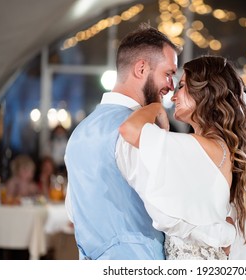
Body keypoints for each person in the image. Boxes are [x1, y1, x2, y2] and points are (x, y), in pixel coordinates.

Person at [119, 55, 246, 260]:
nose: (174, 96)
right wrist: (223, 232)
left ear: (205, 92)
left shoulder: (201, 146)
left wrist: (155, 107)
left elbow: (129, 129)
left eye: (182, 86)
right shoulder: (216, 148)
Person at [64, 23, 181, 260]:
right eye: (168, 74)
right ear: (141, 68)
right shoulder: (140, 131)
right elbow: (167, 212)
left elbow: (73, 212)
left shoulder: (79, 132)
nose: (171, 86)